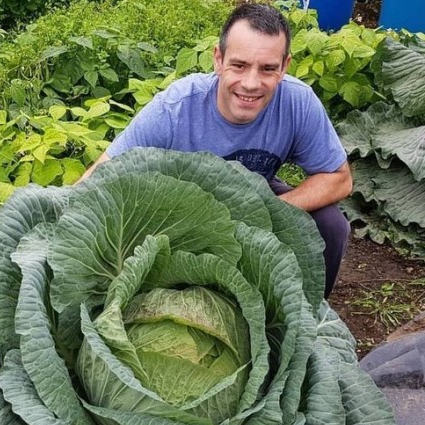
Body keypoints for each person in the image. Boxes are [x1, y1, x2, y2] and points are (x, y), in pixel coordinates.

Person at [80, 2, 352, 298]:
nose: (250, 83)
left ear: (284, 67)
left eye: (268, 69)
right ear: (218, 59)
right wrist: (63, 214)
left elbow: (339, 178)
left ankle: (307, 320)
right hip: (175, 216)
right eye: (239, 65)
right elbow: (103, 173)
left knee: (330, 225)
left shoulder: (297, 102)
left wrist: (267, 214)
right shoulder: (175, 108)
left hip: (252, 200)